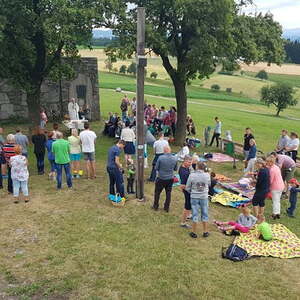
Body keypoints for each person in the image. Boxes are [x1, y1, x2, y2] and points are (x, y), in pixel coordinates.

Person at [185, 162, 211, 238]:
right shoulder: (207, 175)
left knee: (195, 213)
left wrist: (193, 192)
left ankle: (193, 232)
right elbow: (209, 184)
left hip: (194, 196)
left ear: (197, 167)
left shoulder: (192, 175)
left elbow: (187, 187)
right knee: (205, 213)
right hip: (204, 196)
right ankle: (205, 231)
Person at [152, 146, 178, 212]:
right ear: (170, 150)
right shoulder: (175, 158)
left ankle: (155, 206)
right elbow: (175, 169)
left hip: (161, 178)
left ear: (164, 151)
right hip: (170, 178)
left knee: (157, 192)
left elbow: (156, 168)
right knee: (168, 193)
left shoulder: (161, 158)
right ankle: (166, 207)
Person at [179, 155, 193, 228]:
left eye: (191, 162)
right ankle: (183, 223)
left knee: (189, 204)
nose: (190, 164)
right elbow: (183, 185)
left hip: (187, 190)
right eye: (189, 162)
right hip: (187, 191)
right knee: (187, 206)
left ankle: (188, 215)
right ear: (184, 161)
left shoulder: (185, 167)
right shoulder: (184, 172)